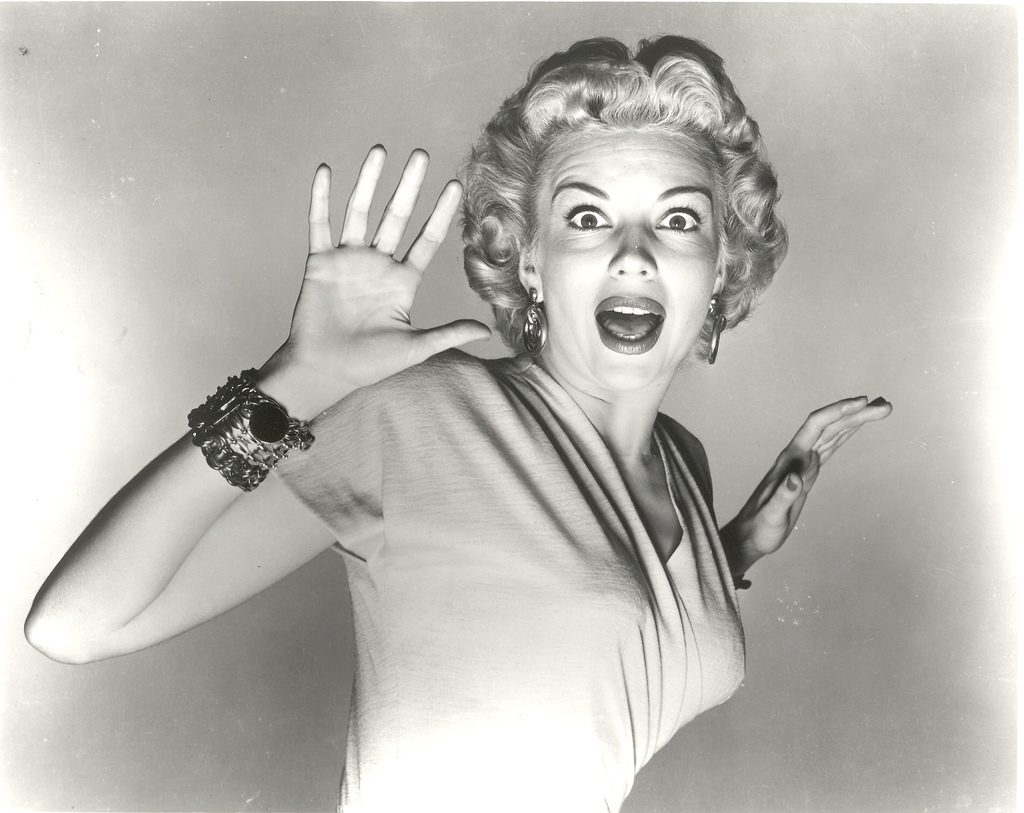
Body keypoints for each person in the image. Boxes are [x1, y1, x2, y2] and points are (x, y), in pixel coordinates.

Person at [25, 36, 891, 812]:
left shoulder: (683, 462)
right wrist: (292, 385)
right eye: (587, 217)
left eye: (677, 219)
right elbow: (74, 624)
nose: (634, 254)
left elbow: (606, 652)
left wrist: (735, 548)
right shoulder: (425, 414)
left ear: (722, 267)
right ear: (530, 261)